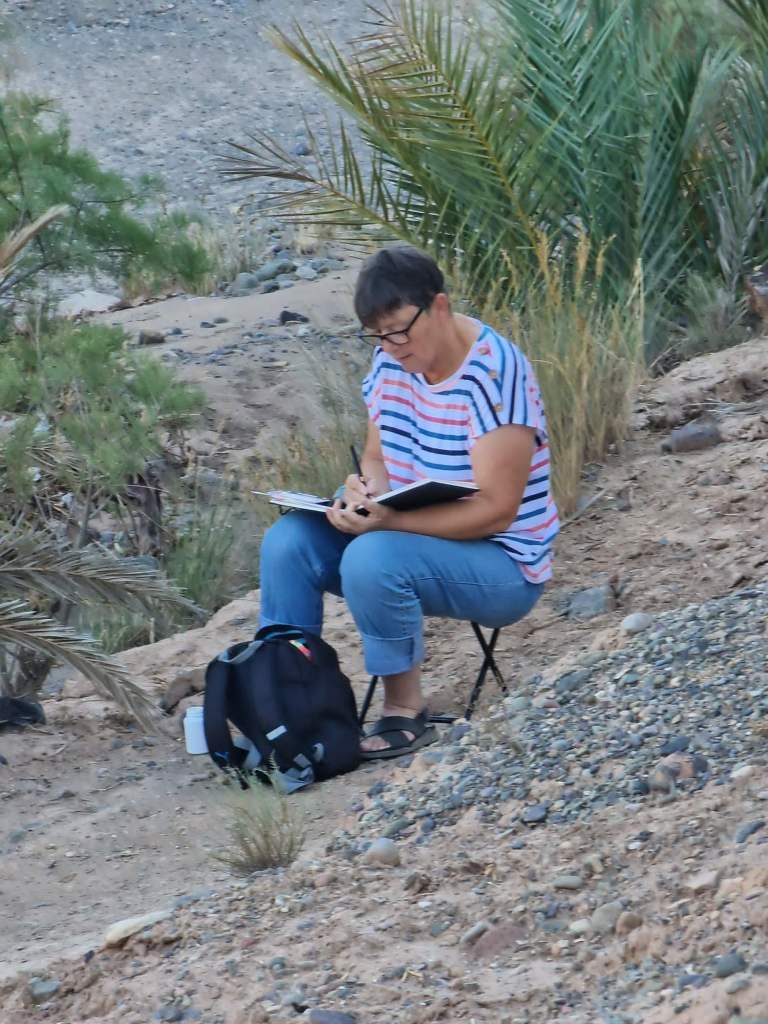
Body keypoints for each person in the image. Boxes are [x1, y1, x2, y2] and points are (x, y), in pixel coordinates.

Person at [259, 245, 559, 760]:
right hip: (409, 532)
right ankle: (286, 705)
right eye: (378, 335)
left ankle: (405, 709)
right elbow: (377, 455)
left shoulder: (495, 373)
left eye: (399, 331)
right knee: (288, 542)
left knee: (372, 557)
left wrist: (390, 523)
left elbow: (498, 509)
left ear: (438, 306)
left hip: (502, 565)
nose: (390, 347)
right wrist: (363, 490)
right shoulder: (392, 359)